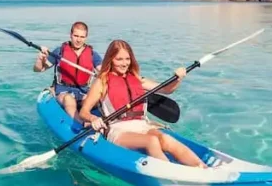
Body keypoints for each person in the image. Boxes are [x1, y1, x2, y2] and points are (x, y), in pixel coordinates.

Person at [79, 39, 208, 168]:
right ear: (111, 59)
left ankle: (201, 166)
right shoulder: (102, 82)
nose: (124, 64)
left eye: (127, 59)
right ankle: (172, 174)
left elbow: (167, 90)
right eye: (119, 59)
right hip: (118, 130)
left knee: (165, 139)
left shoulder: (137, 79)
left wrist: (178, 78)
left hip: (142, 125)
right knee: (152, 141)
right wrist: (93, 118)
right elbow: (84, 112)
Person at [33, 21, 103, 120]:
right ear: (70, 35)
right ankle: (80, 123)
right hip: (63, 91)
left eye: (82, 37)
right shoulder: (60, 51)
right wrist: (40, 59)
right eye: (76, 36)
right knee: (69, 99)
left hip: (83, 91)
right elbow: (38, 69)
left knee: (96, 100)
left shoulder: (92, 54)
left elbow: (104, 72)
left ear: (86, 37)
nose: (78, 40)